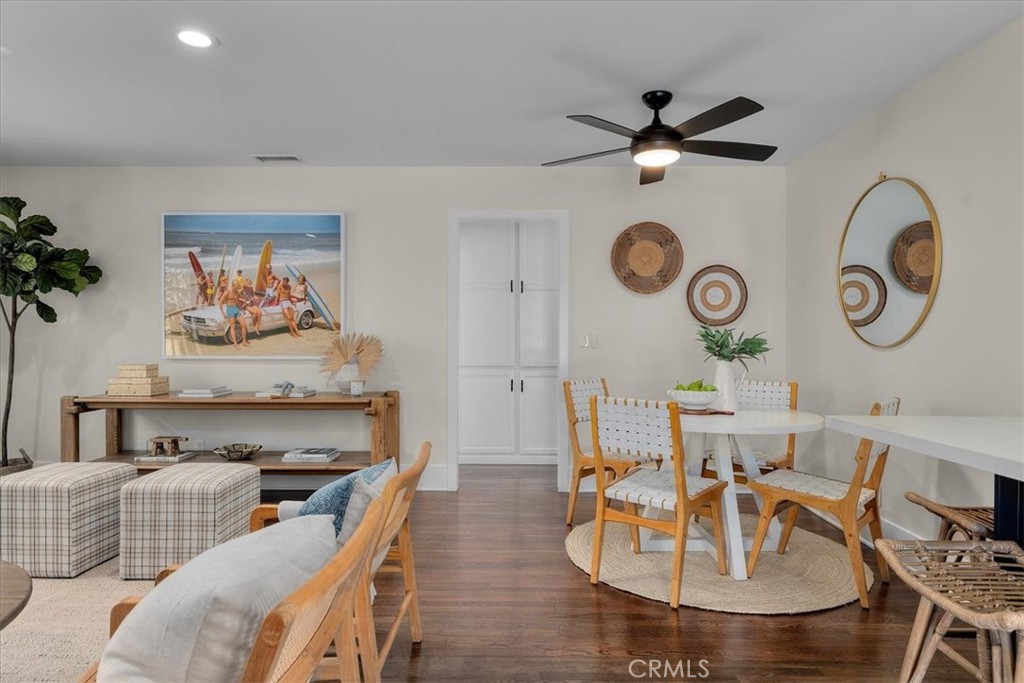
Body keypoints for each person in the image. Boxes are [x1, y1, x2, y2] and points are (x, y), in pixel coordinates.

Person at [218, 281, 250, 349]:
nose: (238, 287)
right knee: (232, 326)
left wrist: (241, 309)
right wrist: (223, 313)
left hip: (236, 308)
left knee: (243, 324)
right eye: (237, 285)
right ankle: (235, 344)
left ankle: (244, 341)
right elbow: (220, 302)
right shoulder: (227, 292)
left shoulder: (237, 292)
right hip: (230, 309)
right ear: (233, 285)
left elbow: (237, 302)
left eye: (238, 285)